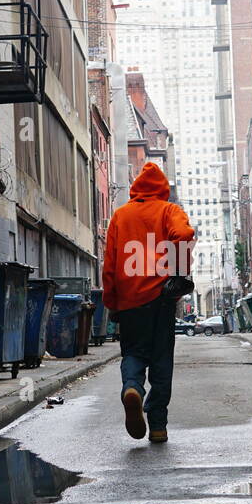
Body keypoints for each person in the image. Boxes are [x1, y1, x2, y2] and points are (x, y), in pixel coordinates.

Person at [102, 163, 195, 443]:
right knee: (161, 360)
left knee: (133, 353)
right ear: (163, 189)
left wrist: (112, 302)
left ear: (136, 188)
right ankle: (157, 425)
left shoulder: (120, 216)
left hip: (129, 300)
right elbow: (185, 235)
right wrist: (178, 271)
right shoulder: (169, 211)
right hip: (160, 299)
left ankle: (132, 388)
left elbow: (109, 265)